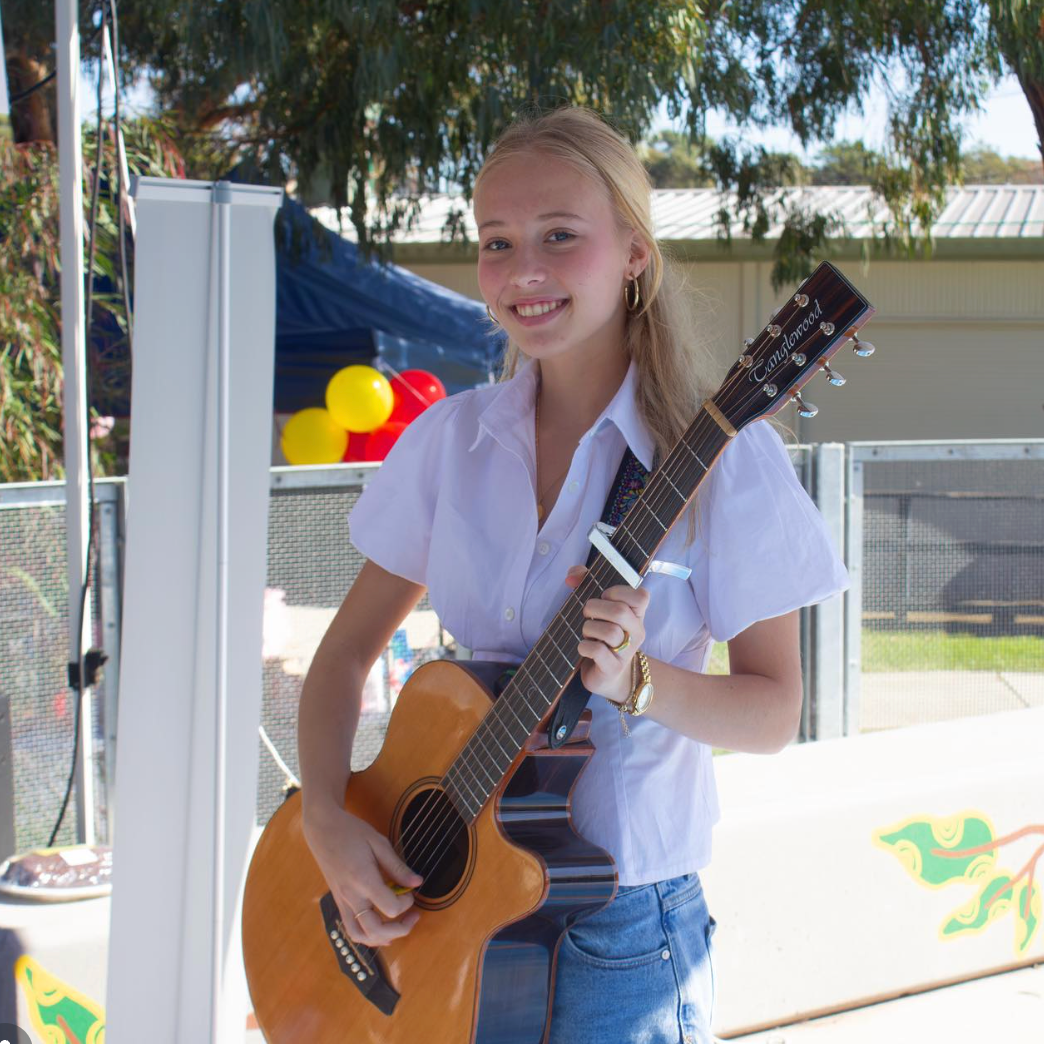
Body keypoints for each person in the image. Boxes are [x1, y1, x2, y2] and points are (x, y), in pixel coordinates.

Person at [297, 105, 848, 1044]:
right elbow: (345, 655)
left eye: (560, 237)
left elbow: (771, 714)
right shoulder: (450, 443)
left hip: (619, 940)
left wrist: (640, 681)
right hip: (440, 913)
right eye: (496, 242)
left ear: (635, 252)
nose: (524, 272)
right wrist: (326, 820)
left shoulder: (725, 460)